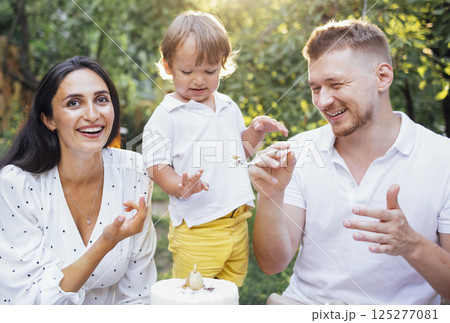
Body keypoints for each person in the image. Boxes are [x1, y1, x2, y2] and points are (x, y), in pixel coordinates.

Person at [249, 19, 450, 305]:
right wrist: (271, 195)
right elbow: (272, 264)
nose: (322, 101)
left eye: (336, 84)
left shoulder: (443, 159)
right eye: (316, 88)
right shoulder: (299, 151)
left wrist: (411, 244)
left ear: (382, 77)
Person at [142, 10, 288, 287]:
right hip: (199, 228)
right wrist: (179, 185)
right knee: (194, 298)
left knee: (229, 293)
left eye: (209, 71)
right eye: (187, 71)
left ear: (222, 65)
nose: (199, 80)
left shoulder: (227, 105)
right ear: (168, 66)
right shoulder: (167, 115)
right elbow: (156, 166)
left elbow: (240, 151)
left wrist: (256, 130)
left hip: (236, 221)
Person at [0, 56, 157, 304]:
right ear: (48, 119)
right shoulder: (17, 186)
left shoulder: (133, 170)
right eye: (74, 103)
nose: (93, 114)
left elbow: (139, 294)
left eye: (101, 100)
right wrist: (106, 243)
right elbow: (29, 304)